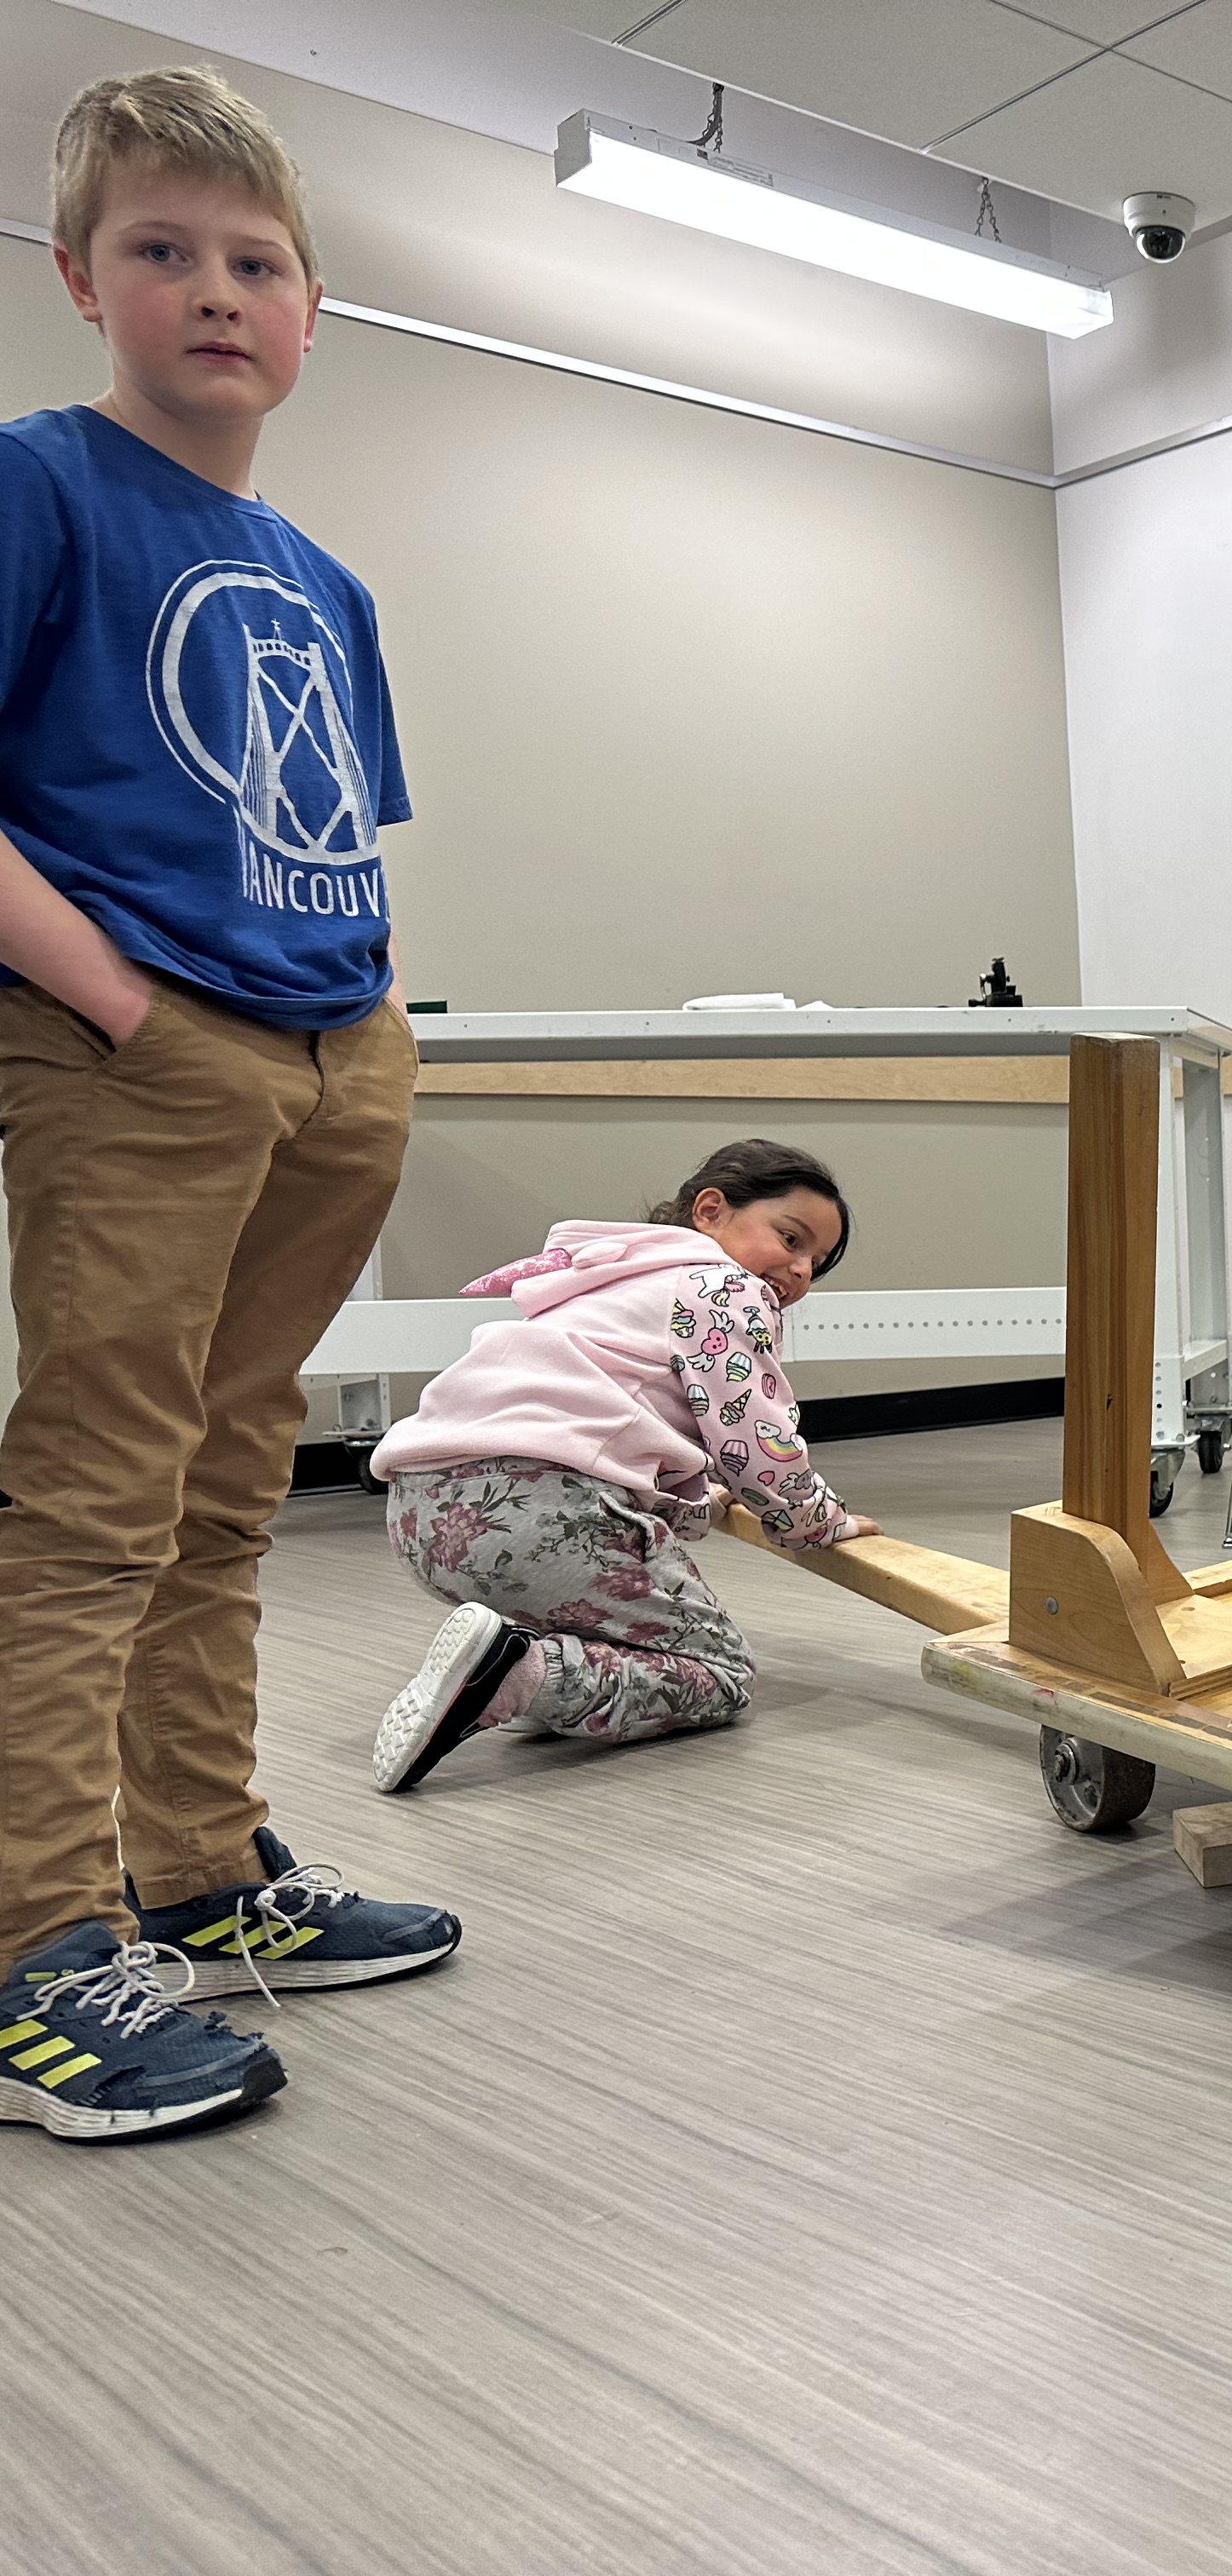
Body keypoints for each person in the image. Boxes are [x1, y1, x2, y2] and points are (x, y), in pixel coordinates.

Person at [0, 69, 456, 2144]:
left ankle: (197, 1870)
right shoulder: (37, 486)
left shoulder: (325, 584)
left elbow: (318, 834)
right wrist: (111, 998)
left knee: (230, 1477)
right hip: (141, 1044)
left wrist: (365, 1038)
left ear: (310, 305)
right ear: (80, 276)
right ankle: (28, 1943)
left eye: (252, 260)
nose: (212, 290)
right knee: (97, 1487)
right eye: (162, 251)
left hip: (328, 1049)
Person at [366, 1142, 881, 1794]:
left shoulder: (610, 1279)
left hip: (422, 1516)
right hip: (538, 1509)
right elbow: (754, 1438)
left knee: (609, 1588)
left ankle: (532, 1667)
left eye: (816, 1262)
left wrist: (702, 1504)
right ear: (712, 1210)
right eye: (791, 1237)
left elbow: (607, 1429)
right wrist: (815, 1523)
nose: (800, 1270)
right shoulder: (721, 1285)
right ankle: (525, 1673)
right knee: (719, 1673)